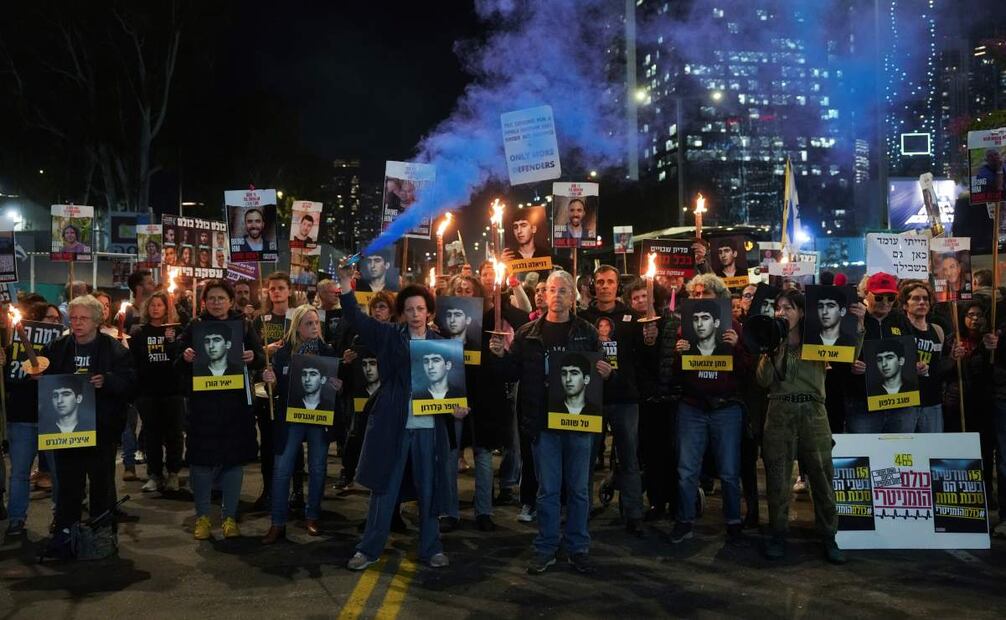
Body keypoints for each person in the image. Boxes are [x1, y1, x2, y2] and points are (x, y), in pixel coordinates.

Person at [337, 265, 467, 571]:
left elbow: (452, 390)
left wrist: (457, 408)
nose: (415, 314)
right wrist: (345, 284)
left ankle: (431, 548)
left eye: (420, 309)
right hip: (393, 424)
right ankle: (368, 549)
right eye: (409, 309)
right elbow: (356, 317)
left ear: (429, 312)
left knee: (429, 489)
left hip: (428, 429)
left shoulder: (442, 344)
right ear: (402, 313)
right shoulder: (387, 336)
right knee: (384, 488)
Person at [489, 270, 611, 575]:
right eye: (552, 290)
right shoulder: (527, 334)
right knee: (548, 490)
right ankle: (546, 547)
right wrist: (500, 356)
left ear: (572, 297)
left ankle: (578, 547)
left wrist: (607, 372)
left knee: (579, 490)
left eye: (563, 291)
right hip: (542, 425)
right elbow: (511, 373)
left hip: (578, 423)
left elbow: (600, 372)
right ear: (544, 295)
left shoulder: (587, 332)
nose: (556, 296)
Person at [757, 288, 855, 564]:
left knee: (822, 476)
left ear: (801, 312)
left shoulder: (818, 340)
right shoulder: (771, 340)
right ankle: (778, 533)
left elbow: (848, 354)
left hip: (813, 412)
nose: (782, 312)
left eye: (788, 307)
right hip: (779, 410)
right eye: (778, 307)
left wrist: (857, 328)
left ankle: (829, 535)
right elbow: (763, 380)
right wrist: (772, 349)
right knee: (778, 478)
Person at [41, 294, 136, 560]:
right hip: (66, 431)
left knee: (101, 484)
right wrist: (38, 375)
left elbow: (131, 383)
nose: (78, 323)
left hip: (102, 428)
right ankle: (65, 536)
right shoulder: (57, 348)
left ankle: (101, 535)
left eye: (84, 318)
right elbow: (44, 376)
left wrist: (108, 381)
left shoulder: (114, 349)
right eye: (74, 318)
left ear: (97, 321)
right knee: (68, 486)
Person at [177, 280, 265, 541]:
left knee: (233, 462)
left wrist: (253, 357)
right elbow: (176, 361)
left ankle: (229, 517)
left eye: (221, 298)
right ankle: (203, 517)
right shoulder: (194, 326)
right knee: (201, 464)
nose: (216, 303)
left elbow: (261, 358)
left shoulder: (244, 325)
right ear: (204, 302)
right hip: (203, 408)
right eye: (212, 298)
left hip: (235, 407)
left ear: (230, 301)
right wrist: (185, 356)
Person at [668, 273, 747, 545]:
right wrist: (678, 355)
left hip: (725, 408)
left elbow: (747, 373)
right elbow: (676, 376)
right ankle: (685, 520)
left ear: (719, 299)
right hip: (692, 407)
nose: (699, 298)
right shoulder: (685, 329)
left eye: (705, 294)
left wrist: (737, 349)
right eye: (695, 294)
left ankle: (733, 522)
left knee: (729, 471)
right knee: (687, 470)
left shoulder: (734, 328)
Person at [261, 304, 340, 543]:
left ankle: (312, 517)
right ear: (297, 327)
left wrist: (338, 385)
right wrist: (270, 380)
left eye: (316, 323)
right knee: (282, 469)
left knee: (317, 468)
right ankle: (277, 523)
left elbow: (336, 384)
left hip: (318, 417)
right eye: (309, 323)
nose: (314, 327)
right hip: (290, 418)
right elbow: (275, 389)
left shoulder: (327, 351)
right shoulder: (284, 352)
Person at [580, 265, 649, 537]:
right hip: (591, 398)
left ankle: (634, 515)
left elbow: (641, 358)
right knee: (585, 459)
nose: (605, 286)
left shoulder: (632, 318)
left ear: (617, 286)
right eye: (600, 282)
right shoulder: (583, 318)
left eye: (610, 282)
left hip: (624, 398)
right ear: (593, 286)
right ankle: (581, 511)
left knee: (629, 458)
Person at [2, 301, 63, 537]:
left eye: (57, 319)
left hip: (53, 418)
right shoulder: (12, 349)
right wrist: (3, 366)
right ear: (36, 321)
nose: (55, 322)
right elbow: (8, 384)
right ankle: (16, 519)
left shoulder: (61, 348)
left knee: (58, 473)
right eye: (50, 318)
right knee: (19, 473)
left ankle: (61, 517)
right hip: (22, 417)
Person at [843, 272, 923, 433]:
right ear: (867, 294)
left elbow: (912, 352)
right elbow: (837, 356)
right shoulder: (853, 317)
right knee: (865, 448)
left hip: (901, 403)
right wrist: (850, 365)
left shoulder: (901, 319)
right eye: (879, 297)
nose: (885, 303)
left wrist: (919, 366)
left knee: (901, 447)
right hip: (862, 403)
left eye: (891, 298)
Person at [129, 290, 184, 493]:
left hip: (172, 390)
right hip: (148, 391)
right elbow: (134, 360)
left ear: (167, 308)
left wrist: (172, 342)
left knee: (174, 434)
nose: (155, 308)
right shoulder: (140, 332)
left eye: (160, 305)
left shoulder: (176, 330)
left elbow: (180, 358)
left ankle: (173, 473)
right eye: (152, 305)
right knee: (151, 434)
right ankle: (154, 474)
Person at [252, 272, 294, 510]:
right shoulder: (260, 320)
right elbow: (252, 352)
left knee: (292, 444)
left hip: (291, 387)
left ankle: (295, 492)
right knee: (267, 443)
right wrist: (265, 350)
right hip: (265, 389)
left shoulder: (297, 316)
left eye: (281, 288)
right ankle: (268, 491)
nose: (276, 292)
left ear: (289, 291)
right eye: (272, 289)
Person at [899, 280, 945, 433]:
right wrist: (910, 369)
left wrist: (953, 357)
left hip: (932, 400)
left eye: (925, 299)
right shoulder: (898, 330)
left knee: (933, 446)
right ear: (905, 305)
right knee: (905, 446)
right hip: (906, 402)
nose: (922, 302)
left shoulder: (937, 330)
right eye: (916, 298)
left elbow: (939, 366)